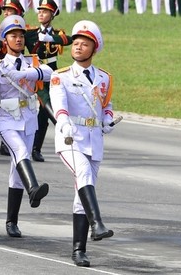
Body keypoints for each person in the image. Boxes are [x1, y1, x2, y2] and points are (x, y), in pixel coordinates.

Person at [0, 15, 52, 238]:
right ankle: (33, 188)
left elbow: (50, 74)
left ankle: (11, 222)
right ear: (5, 40)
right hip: (7, 121)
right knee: (21, 151)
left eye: (21, 36)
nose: (18, 40)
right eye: (13, 36)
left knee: (16, 173)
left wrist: (25, 73)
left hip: (29, 121)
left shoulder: (31, 63)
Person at [49, 20, 115, 267]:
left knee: (82, 193)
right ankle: (97, 223)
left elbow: (106, 105)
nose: (77, 47)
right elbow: (59, 104)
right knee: (83, 173)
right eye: (75, 43)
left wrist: (108, 120)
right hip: (71, 137)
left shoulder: (104, 77)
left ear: (94, 49)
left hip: (94, 140)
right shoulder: (61, 76)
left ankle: (79, 250)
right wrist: (63, 121)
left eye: (84, 44)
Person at [24, 0, 70, 162]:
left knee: (43, 114)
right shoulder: (30, 33)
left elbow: (70, 39)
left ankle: (35, 149)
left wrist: (51, 39)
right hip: (37, 76)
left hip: (53, 76)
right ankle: (64, 129)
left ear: (52, 14)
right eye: (40, 11)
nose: (41, 14)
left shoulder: (57, 34)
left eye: (45, 11)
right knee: (47, 104)